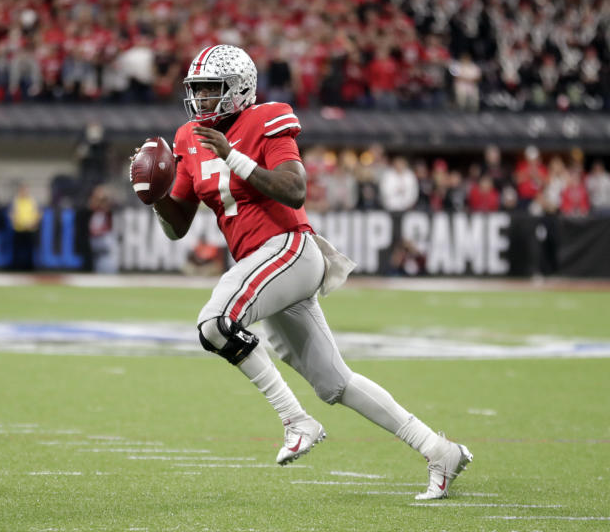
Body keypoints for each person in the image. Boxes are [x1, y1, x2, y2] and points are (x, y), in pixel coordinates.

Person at [130, 44, 471, 500]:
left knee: (215, 325)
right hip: (261, 262)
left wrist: (234, 156)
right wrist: (155, 197)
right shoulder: (189, 137)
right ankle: (438, 450)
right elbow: (179, 226)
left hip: (288, 247)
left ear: (239, 90)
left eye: (211, 90)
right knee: (335, 383)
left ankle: (296, 420)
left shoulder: (266, 118)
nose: (202, 100)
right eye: (197, 91)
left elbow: (293, 190)